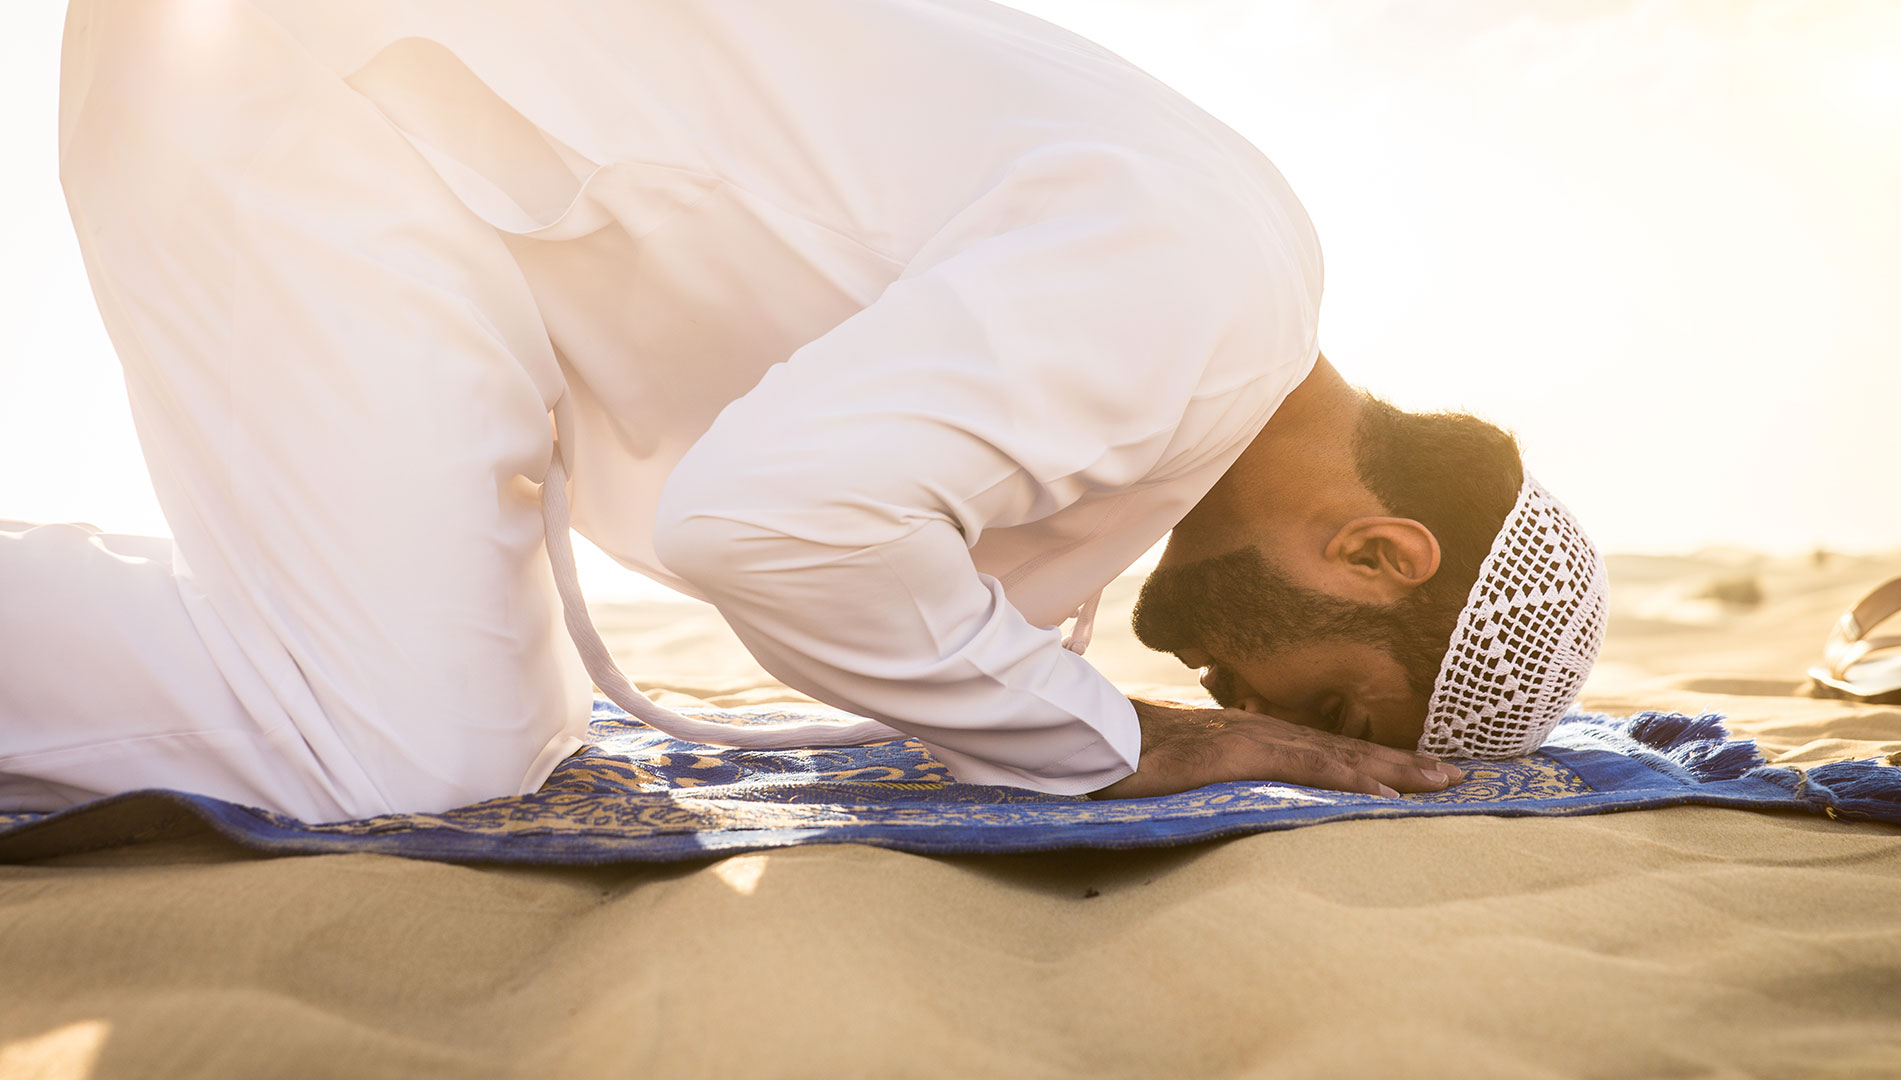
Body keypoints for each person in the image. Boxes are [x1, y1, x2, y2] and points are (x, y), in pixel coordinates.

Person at [0, 0, 1605, 823]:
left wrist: (1066, 716)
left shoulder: (1223, 308)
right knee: (391, 747)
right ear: (1381, 554)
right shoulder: (1191, 309)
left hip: (426, 151)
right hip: (337, 93)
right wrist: (1121, 747)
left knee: (495, 730)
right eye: (1327, 717)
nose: (1251, 720)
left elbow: (931, 547)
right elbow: (763, 521)